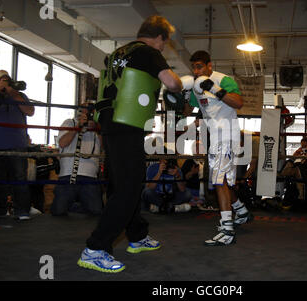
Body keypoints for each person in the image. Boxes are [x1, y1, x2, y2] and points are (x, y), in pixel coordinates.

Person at [77, 15, 183, 273]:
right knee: (129, 187)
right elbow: (170, 82)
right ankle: (96, 248)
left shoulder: (116, 54)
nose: (162, 48)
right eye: (163, 43)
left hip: (110, 124)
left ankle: (136, 236)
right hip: (128, 126)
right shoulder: (148, 52)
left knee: (120, 184)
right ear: (159, 37)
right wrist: (180, 85)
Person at [185, 50, 252, 246]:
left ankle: (227, 230)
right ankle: (241, 211)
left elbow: (239, 103)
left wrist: (215, 89)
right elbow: (188, 110)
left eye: (199, 66)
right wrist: (183, 94)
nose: (196, 71)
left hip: (228, 134)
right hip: (214, 137)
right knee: (222, 179)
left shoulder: (223, 80)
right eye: (194, 67)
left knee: (219, 180)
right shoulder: (196, 86)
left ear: (209, 66)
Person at [0, 70, 35, 220]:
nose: (5, 83)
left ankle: (22, 210)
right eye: (2, 80)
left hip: (17, 144)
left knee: (19, 178)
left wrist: (15, 94)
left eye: (7, 80)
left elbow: (30, 111)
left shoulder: (20, 96)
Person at [50, 104, 103, 216]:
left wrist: (98, 129)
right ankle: (75, 207)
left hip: (90, 176)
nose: (86, 113)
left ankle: (76, 207)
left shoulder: (97, 128)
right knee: (58, 211)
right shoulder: (70, 123)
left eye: (89, 111)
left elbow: (105, 147)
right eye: (83, 110)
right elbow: (62, 143)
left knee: (96, 211)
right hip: (69, 174)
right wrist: (78, 127)